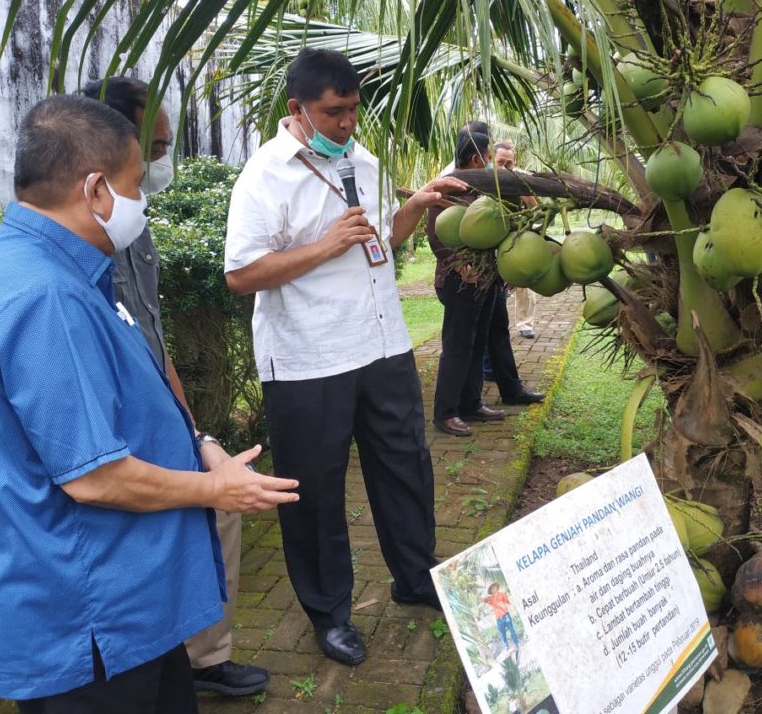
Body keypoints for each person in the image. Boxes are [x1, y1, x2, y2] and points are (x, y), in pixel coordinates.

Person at [0, 95, 300, 714]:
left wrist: (201, 445)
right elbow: (94, 476)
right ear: (94, 189)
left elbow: (130, 382)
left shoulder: (46, 261)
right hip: (91, 618)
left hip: (132, 608)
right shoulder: (44, 296)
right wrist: (216, 491)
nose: (143, 198)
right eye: (135, 182)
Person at [223, 48, 466, 667]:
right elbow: (242, 274)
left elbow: (379, 240)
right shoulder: (264, 175)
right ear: (297, 109)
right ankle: (330, 614)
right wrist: (325, 245)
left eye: (354, 110)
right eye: (334, 112)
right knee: (316, 492)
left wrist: (412, 210)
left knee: (405, 466)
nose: (347, 124)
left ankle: (415, 577)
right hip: (307, 361)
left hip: (382, 346)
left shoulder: (364, 160)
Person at [80, 76, 269, 698]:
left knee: (219, 510)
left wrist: (194, 433)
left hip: (163, 424)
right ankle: (173, 655)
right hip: (117, 448)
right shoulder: (66, 263)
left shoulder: (134, 228)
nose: (165, 162)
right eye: (156, 149)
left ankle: (201, 656)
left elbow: (154, 345)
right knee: (198, 512)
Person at [428, 131, 544, 438]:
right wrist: (461, 265)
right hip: (460, 281)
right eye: (489, 156)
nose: (492, 162)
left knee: (478, 343)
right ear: (477, 157)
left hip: (488, 277)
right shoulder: (449, 185)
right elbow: (437, 236)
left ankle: (471, 402)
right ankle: (445, 412)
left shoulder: (486, 185)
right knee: (458, 346)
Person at [493, 141, 538, 340]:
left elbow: (535, 207)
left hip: (517, 234)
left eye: (509, 163)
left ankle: (525, 323)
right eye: (500, 162)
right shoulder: (484, 177)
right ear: (490, 160)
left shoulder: (520, 178)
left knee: (523, 279)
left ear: (515, 162)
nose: (504, 167)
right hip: (492, 235)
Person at [483, 582, 520, 653]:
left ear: (496, 587)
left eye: (494, 587)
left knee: (512, 630)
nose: (493, 589)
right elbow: (484, 600)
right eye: (492, 588)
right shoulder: (491, 599)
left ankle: (517, 643)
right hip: (499, 619)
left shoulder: (502, 594)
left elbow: (508, 602)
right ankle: (506, 646)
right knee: (503, 634)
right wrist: (486, 597)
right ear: (491, 591)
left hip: (506, 615)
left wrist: (512, 608)